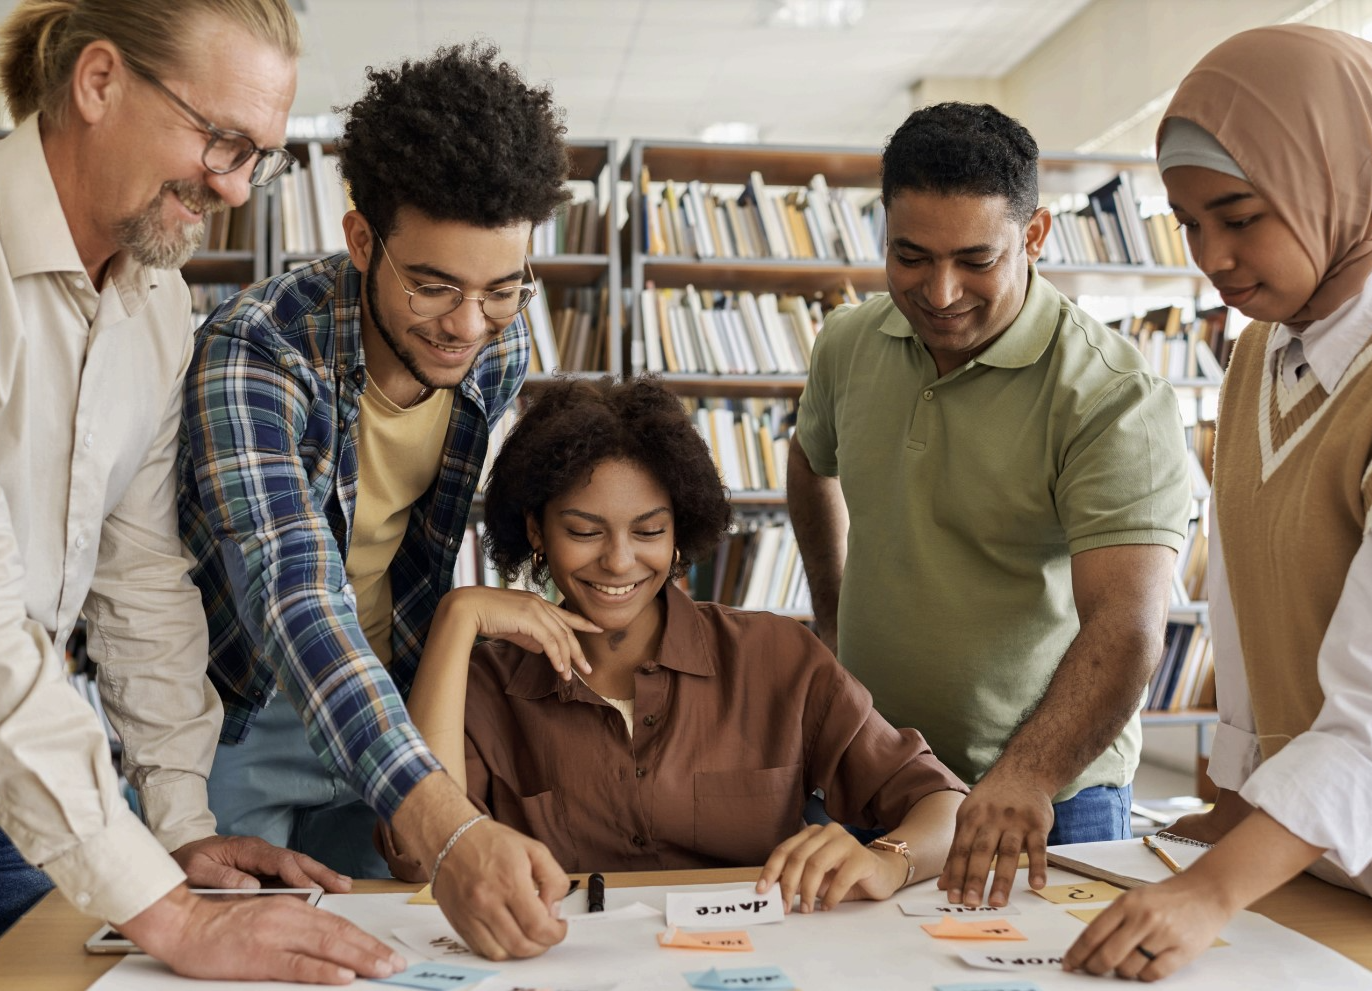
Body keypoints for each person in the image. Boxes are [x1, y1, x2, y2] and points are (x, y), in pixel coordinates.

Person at [0, 0, 405, 981]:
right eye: (220, 138)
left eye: (257, 155)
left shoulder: (155, 304)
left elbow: (138, 581)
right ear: (98, 82)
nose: (231, 186)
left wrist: (181, 830)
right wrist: (173, 916)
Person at [177, 42, 574, 959]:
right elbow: (291, 589)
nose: (467, 326)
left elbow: (425, 547)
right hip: (244, 705)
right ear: (363, 242)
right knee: (236, 958)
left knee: (388, 953)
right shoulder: (257, 353)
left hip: (382, 699)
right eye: (433, 284)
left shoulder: (496, 348)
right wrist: (443, 814)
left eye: (502, 289)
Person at [788, 101, 1194, 909]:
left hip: (1047, 798)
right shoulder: (846, 344)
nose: (940, 292)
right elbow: (810, 462)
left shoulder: (1111, 397)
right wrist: (830, 610)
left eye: (976, 259)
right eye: (911, 256)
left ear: (1035, 235)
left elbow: (1128, 625)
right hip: (875, 772)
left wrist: (1027, 775)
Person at [374, 376, 966, 925]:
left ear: (680, 530)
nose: (619, 561)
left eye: (649, 531)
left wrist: (890, 858)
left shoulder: (776, 657)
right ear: (536, 531)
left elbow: (945, 802)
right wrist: (457, 617)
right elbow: (427, 860)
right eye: (584, 531)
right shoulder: (483, 684)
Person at [1065, 25, 1372, 981]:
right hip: (1308, 858)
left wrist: (1216, 887)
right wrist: (1234, 809)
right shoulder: (1252, 358)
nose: (1212, 256)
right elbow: (1245, 621)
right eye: (1190, 224)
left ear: (1338, 181)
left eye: (1239, 217)